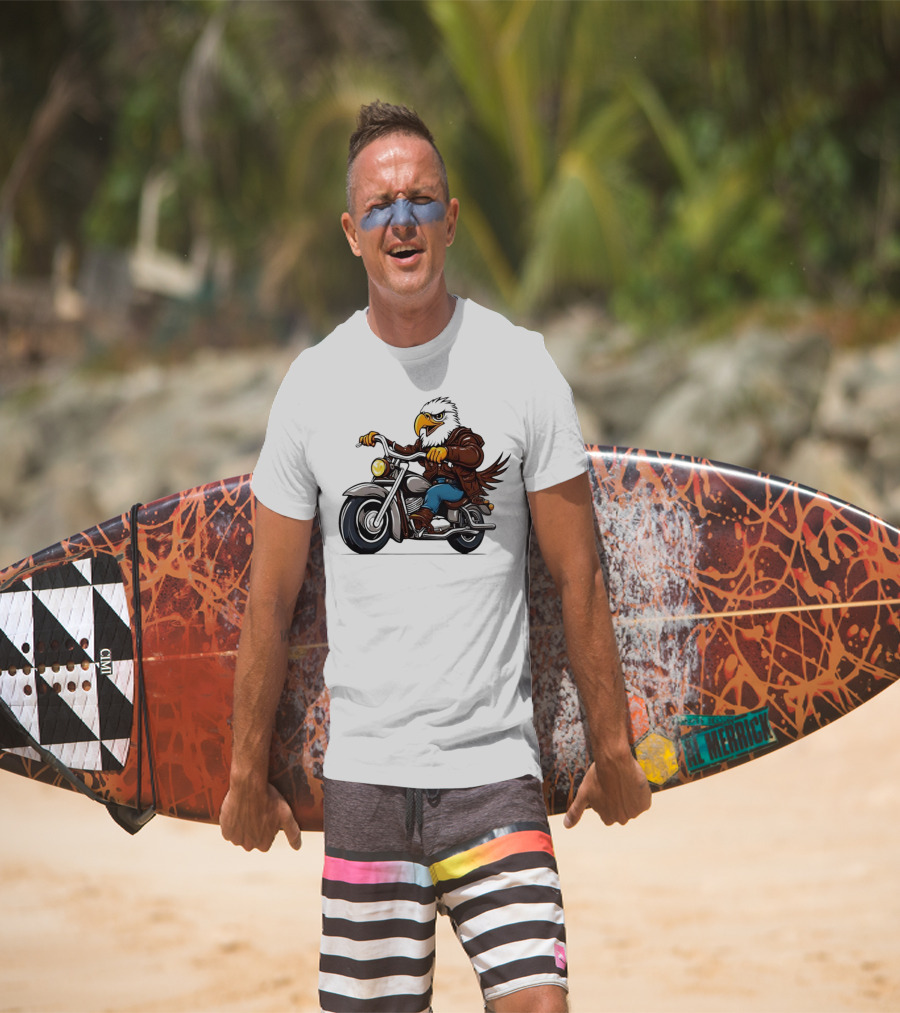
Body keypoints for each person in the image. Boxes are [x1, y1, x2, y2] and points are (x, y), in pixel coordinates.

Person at [220, 100, 651, 1013]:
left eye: (421, 200)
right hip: (368, 780)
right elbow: (269, 600)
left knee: (540, 1003)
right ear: (351, 232)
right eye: (380, 205)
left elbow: (579, 575)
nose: (402, 220)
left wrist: (612, 746)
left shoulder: (521, 367)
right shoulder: (313, 386)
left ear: (450, 219)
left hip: (495, 773)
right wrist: (242, 772)